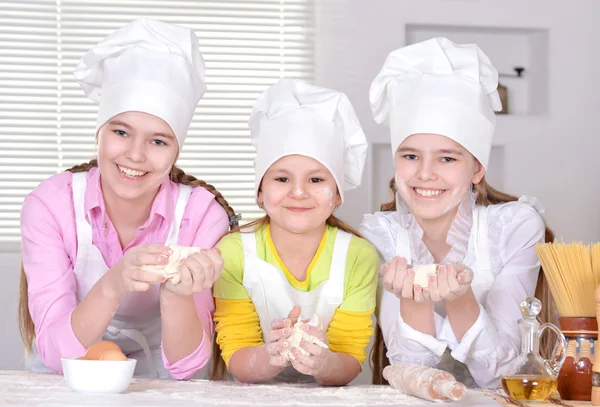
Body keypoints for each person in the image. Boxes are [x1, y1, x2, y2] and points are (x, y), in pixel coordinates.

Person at [18, 18, 237, 380]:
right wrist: (114, 282)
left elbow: (188, 366)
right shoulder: (49, 206)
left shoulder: (201, 215)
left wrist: (177, 293)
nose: (135, 155)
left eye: (158, 141)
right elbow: (57, 355)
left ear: (175, 151)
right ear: (99, 133)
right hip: (65, 382)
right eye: (121, 132)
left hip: (160, 382)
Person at [361, 37, 554, 388]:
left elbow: (502, 373)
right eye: (410, 155)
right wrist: (413, 302)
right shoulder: (380, 235)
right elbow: (410, 370)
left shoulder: (514, 227)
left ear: (477, 169)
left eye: (447, 158)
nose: (425, 173)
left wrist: (460, 299)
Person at [212, 79, 378, 385]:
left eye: (316, 180)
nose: (299, 192)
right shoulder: (233, 253)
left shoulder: (358, 256)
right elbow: (237, 355)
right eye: (282, 178)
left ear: (338, 194)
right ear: (260, 192)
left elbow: (350, 357)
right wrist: (271, 355)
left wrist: (325, 363)